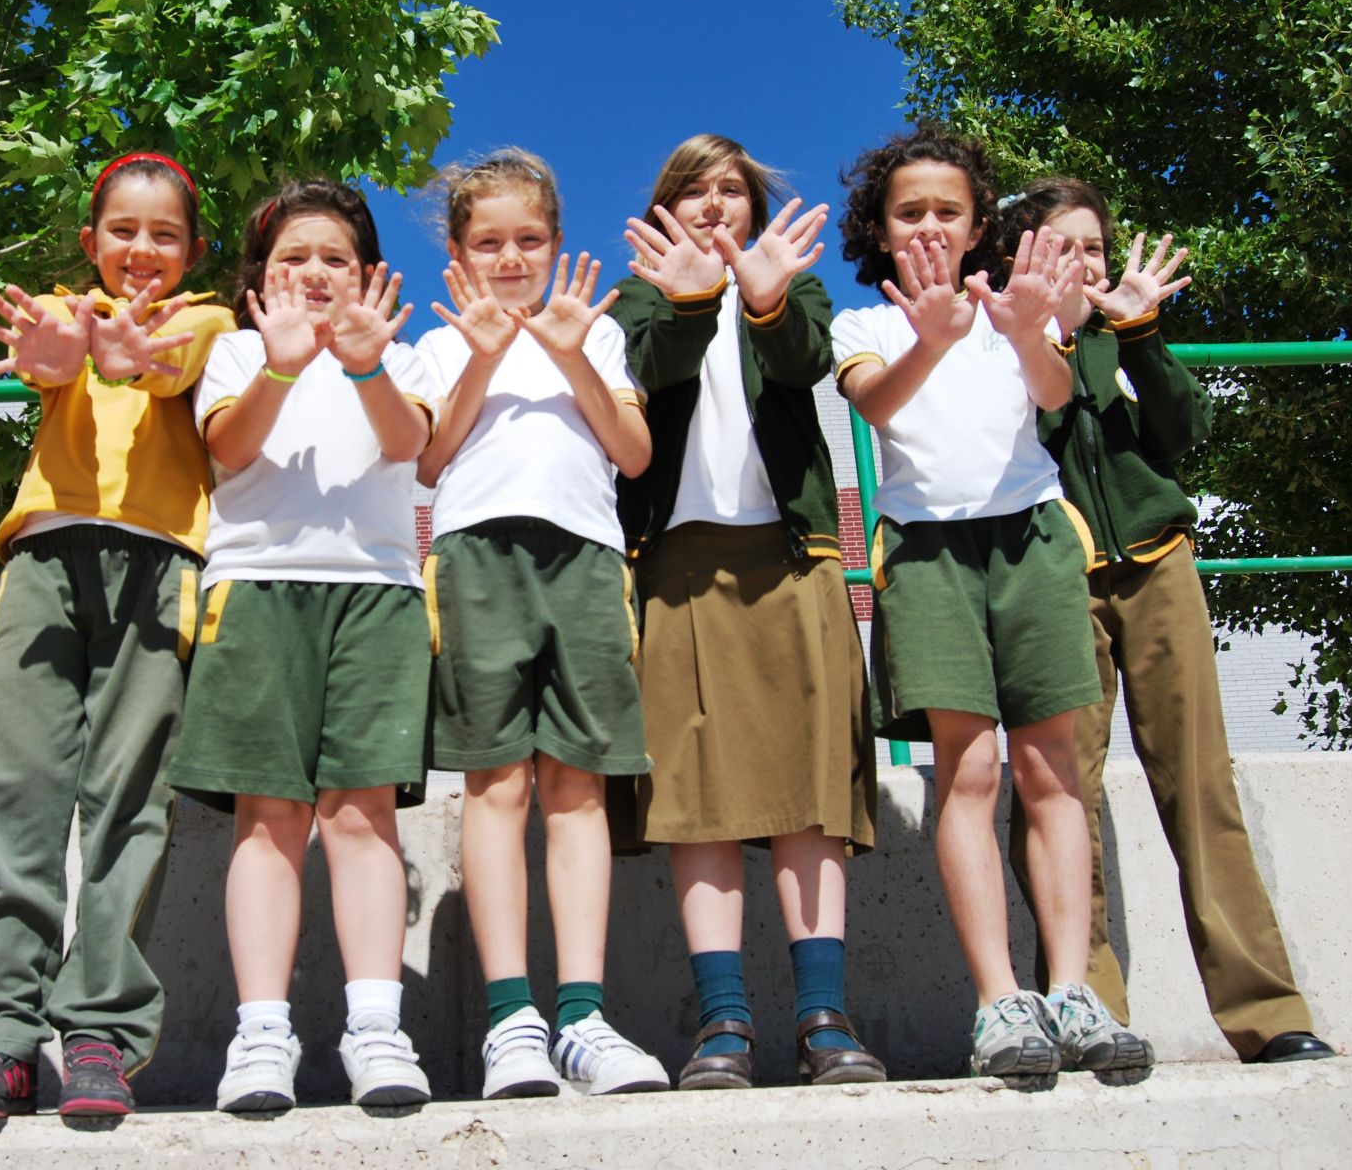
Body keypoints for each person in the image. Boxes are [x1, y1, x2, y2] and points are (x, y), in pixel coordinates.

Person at [832, 123, 1152, 1080]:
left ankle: (1072, 991)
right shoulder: (870, 325)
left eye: (948, 210)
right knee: (968, 775)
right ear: (881, 230)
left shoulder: (1023, 307)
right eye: (909, 212)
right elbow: (877, 406)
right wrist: (935, 339)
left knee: (1056, 774)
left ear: (978, 225)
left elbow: (1055, 396)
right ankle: (997, 1002)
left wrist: (1022, 330)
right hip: (928, 553)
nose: (929, 225)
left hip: (1033, 539)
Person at [999, 176, 1336, 1066]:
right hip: (1058, 576)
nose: (1084, 263)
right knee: (1059, 790)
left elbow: (1187, 433)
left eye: (1095, 248)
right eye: (1061, 245)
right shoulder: (1007, 341)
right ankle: (1087, 1007)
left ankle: (1269, 1014)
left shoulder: (1126, 337)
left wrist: (1140, 334)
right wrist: (1046, 334)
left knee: (1200, 788)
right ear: (1027, 255)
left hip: (1158, 569)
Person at [0, 152, 235, 1119]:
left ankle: (99, 1030)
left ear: (191, 252)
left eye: (165, 235)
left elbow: (172, 361)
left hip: (161, 568)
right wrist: (61, 356)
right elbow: (58, 349)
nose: (141, 250)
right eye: (123, 231)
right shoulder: (59, 308)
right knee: (7, 792)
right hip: (45, 562)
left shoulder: (209, 320)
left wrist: (132, 357)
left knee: (129, 803)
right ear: (90, 240)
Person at [608, 133, 884, 1089]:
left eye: (732, 190)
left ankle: (824, 1018)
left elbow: (808, 359)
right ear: (665, 205)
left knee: (812, 795)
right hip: (679, 567)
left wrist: (763, 297)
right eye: (694, 189)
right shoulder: (637, 295)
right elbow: (650, 373)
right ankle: (723, 1025)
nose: (715, 204)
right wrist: (689, 299)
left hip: (792, 559)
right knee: (699, 803)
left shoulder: (790, 284)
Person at [165, 180, 439, 1114]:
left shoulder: (403, 354)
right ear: (261, 276)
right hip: (253, 588)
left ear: (368, 274)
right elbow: (231, 452)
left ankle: (376, 1029)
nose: (315, 273)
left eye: (335, 258)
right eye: (293, 258)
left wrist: (366, 367)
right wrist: (280, 369)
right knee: (269, 817)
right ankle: (261, 1034)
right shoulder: (239, 350)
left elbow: (412, 447)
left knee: (362, 815)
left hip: (378, 591)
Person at [413, 149, 667, 1098]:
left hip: (588, 560)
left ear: (557, 244)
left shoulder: (592, 336)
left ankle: (582, 1018)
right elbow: (432, 460)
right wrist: (482, 359)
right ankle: (511, 1017)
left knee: (577, 788)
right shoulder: (443, 341)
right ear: (460, 252)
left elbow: (633, 454)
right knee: (497, 786)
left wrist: (569, 355)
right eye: (490, 241)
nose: (511, 256)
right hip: (479, 557)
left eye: (529, 239)